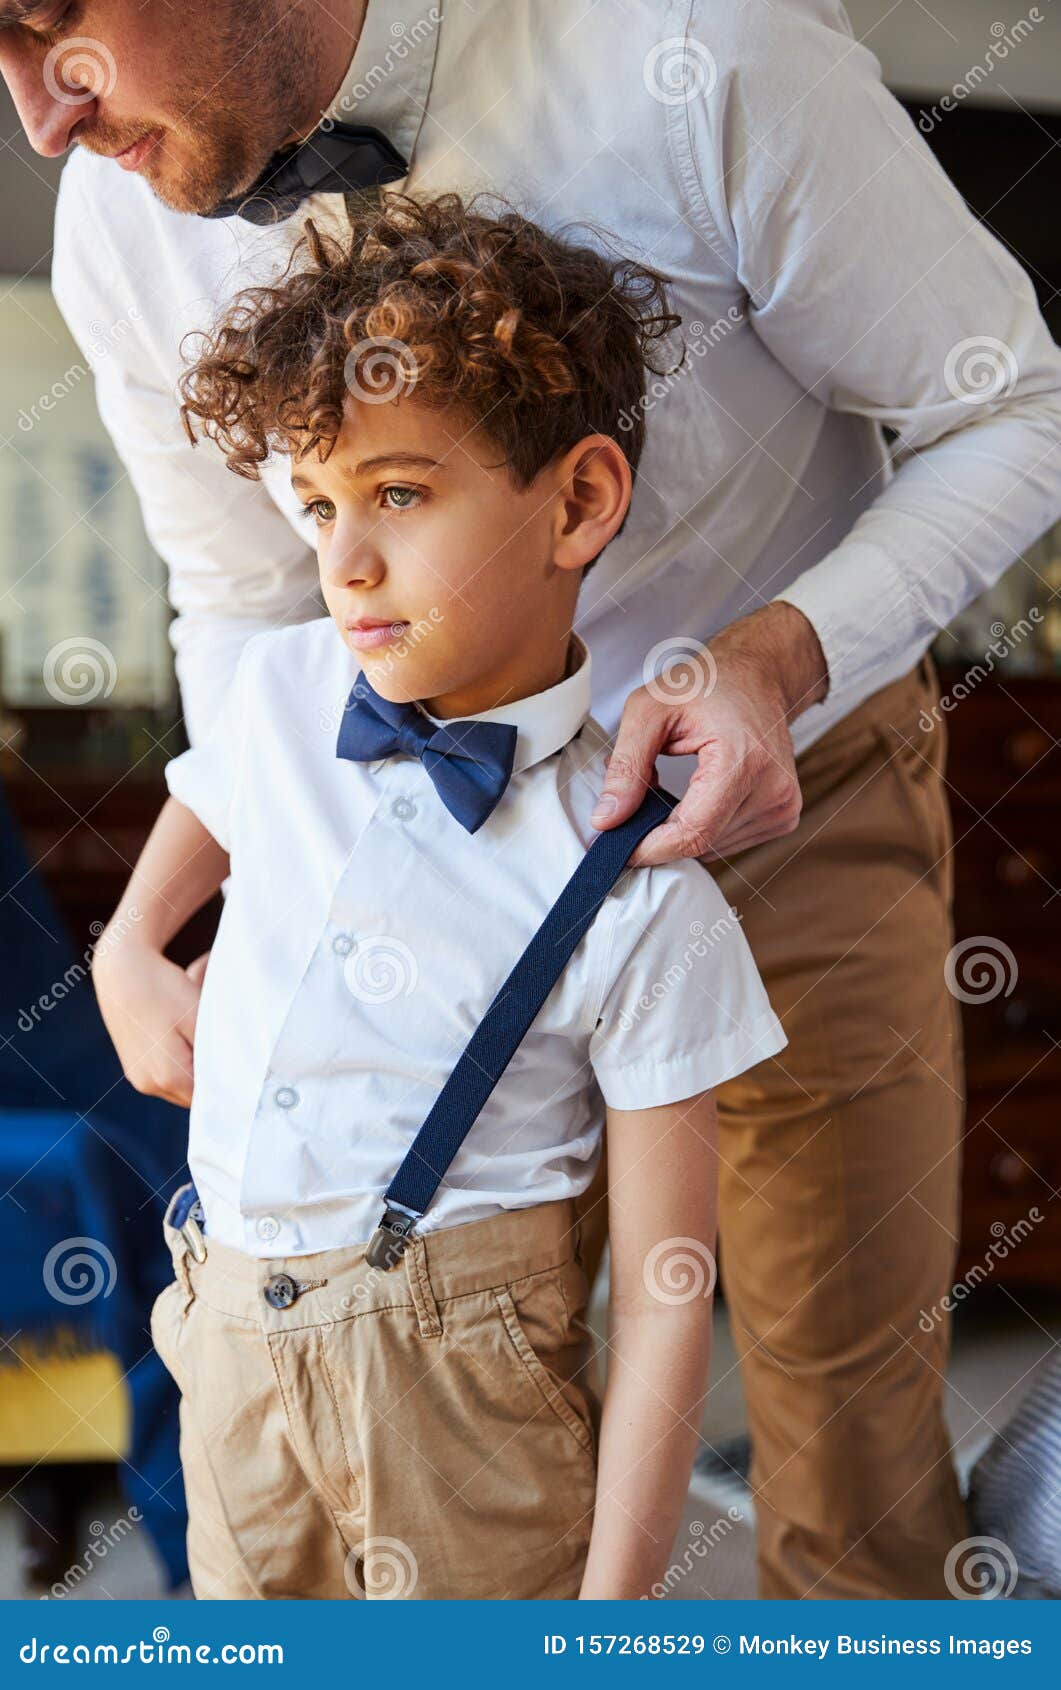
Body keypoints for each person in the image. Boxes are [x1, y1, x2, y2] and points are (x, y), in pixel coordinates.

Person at [5, 0, 1061, 1597]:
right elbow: (241, 609)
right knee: (437, 1425)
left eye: (46, 24)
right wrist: (199, 912)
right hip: (413, 848)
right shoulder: (120, 220)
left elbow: (1015, 404)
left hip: (789, 790)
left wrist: (780, 659)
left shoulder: (706, 52)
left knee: (851, 1471)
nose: (39, 117)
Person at [90, 190, 788, 1600]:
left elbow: (665, 1292)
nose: (344, 561)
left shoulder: (638, 895)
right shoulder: (286, 690)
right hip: (225, 1345)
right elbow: (187, 835)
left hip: (463, 1410)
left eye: (398, 494)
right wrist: (121, 959)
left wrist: (609, 1613)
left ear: (576, 501)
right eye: (318, 504)